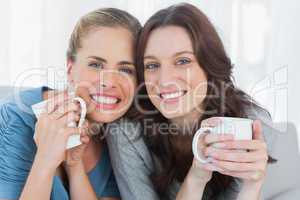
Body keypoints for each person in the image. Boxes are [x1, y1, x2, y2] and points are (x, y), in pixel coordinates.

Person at [107, 3, 275, 200]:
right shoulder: (127, 133)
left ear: (209, 64)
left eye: (183, 61)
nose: (164, 80)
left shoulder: (250, 123)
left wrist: (251, 188)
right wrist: (197, 176)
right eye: (152, 65)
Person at [0, 7, 141, 200]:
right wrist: (45, 161)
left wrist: (75, 168)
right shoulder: (15, 119)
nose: (108, 82)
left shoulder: (117, 137)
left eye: (125, 69)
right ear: (70, 68)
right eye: (96, 65)